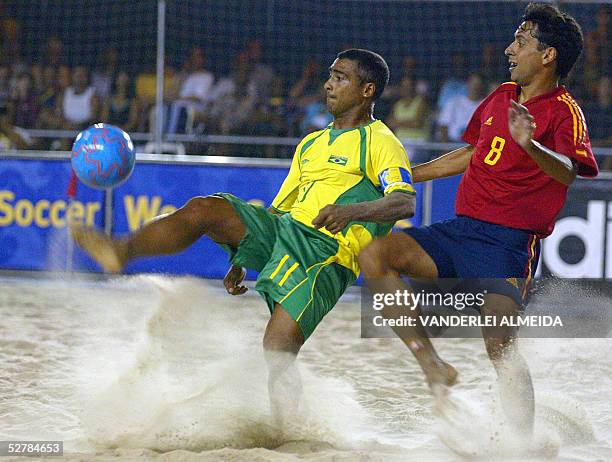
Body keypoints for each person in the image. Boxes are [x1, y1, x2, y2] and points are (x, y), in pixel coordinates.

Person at [71, 49, 416, 424]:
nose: (328, 84)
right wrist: (241, 255)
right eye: (330, 75)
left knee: (278, 348)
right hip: (284, 230)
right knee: (206, 208)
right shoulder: (312, 143)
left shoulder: (382, 141)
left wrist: (350, 212)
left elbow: (403, 202)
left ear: (367, 90)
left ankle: (287, 432)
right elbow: (280, 210)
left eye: (340, 77)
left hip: (328, 254)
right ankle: (121, 251)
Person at [359, 3, 599, 438]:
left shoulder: (565, 111)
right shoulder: (500, 96)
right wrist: (407, 175)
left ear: (548, 55)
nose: (510, 48)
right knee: (376, 256)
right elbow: (471, 153)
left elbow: (568, 170)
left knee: (501, 349)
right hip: (460, 232)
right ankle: (432, 365)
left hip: (507, 247)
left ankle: (522, 445)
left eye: (521, 41)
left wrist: (530, 146)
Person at [437, 73, 484, 142]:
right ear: (468, 84)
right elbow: (443, 125)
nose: (475, 87)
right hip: (453, 145)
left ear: (482, 87)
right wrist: (446, 147)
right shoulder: (454, 102)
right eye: (473, 84)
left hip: (475, 146)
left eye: (478, 84)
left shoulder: (487, 105)